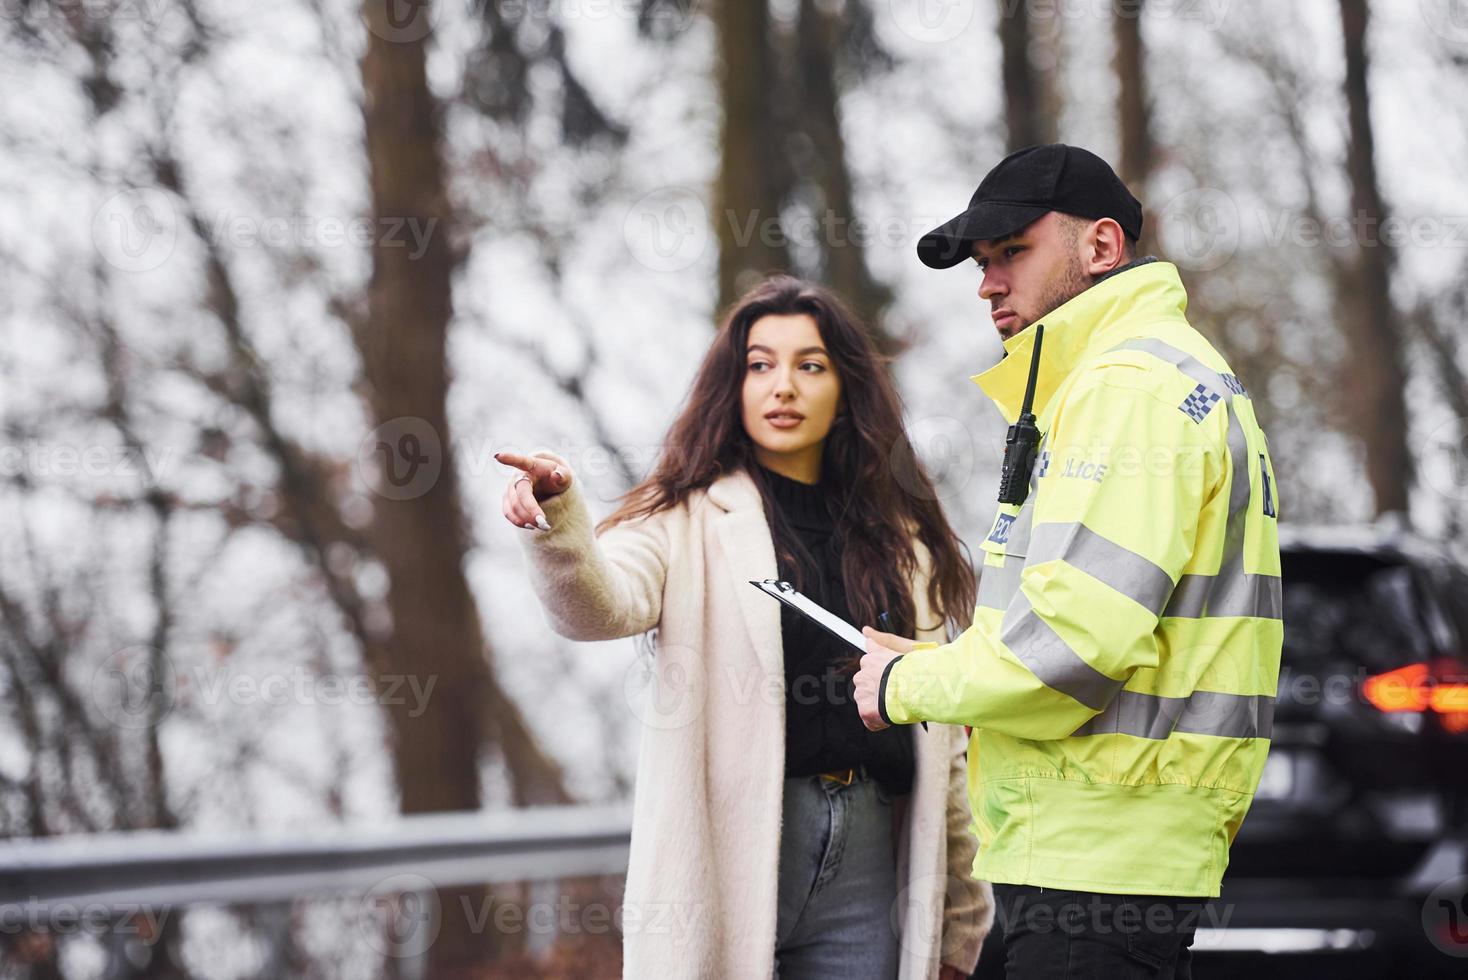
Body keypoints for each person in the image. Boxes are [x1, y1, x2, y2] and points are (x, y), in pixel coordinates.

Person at [854, 144, 1283, 980]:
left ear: (1102, 248)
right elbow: (1077, 621)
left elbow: (1071, 649)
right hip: (1091, 848)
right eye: (982, 263)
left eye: (1013, 251)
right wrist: (954, 663)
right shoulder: (1167, 375)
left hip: (1097, 855)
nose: (987, 284)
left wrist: (906, 686)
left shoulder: (1127, 389)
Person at [496, 275, 993, 979]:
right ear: (733, 385)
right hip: (735, 855)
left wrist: (957, 925)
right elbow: (596, 607)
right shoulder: (683, 515)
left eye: (809, 365)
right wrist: (558, 516)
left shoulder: (903, 538)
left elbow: (946, 740)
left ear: (845, 387)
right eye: (760, 365)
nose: (782, 386)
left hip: (875, 856)